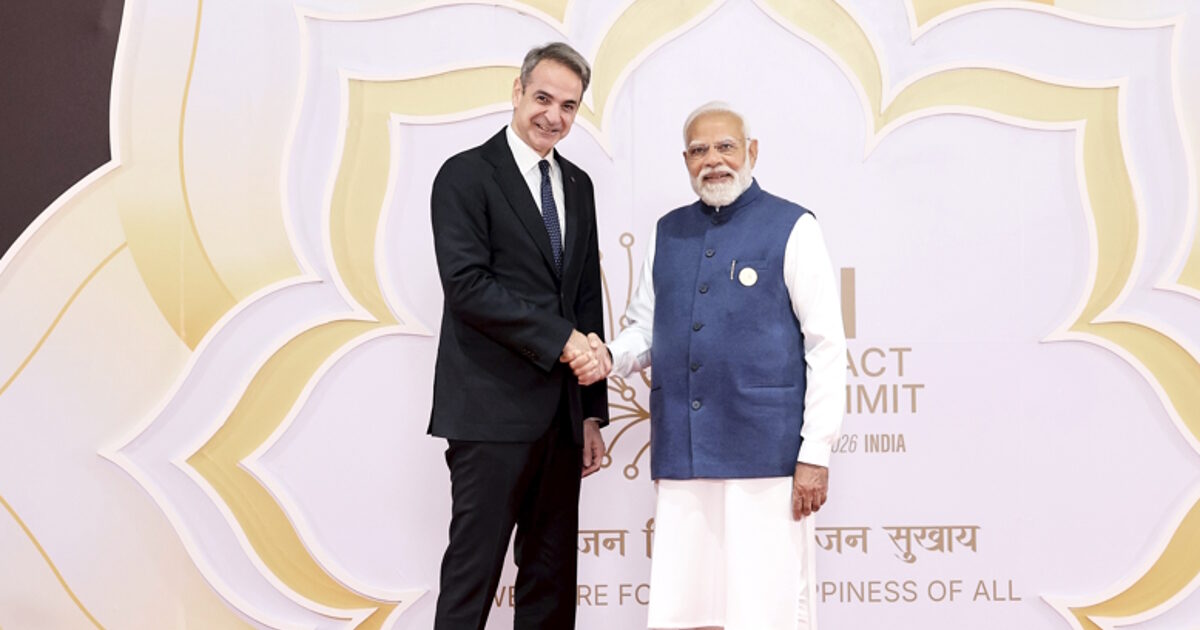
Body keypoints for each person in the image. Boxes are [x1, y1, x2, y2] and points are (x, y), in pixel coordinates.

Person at [572, 101, 846, 629]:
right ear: (686, 160)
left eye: (726, 147)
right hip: (684, 452)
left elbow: (826, 345)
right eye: (699, 150)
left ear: (752, 152)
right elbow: (645, 328)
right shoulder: (668, 231)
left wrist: (816, 452)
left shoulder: (793, 226)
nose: (713, 160)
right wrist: (609, 356)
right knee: (685, 607)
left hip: (767, 455)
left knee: (767, 609)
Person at [427, 42, 610, 630]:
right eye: (543, 98)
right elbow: (467, 287)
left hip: (560, 420)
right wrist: (561, 340)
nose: (553, 116)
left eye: (568, 106)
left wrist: (589, 414)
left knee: (550, 586)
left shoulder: (578, 184)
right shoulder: (464, 175)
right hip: (488, 415)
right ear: (517, 91)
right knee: (471, 581)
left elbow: (584, 299)